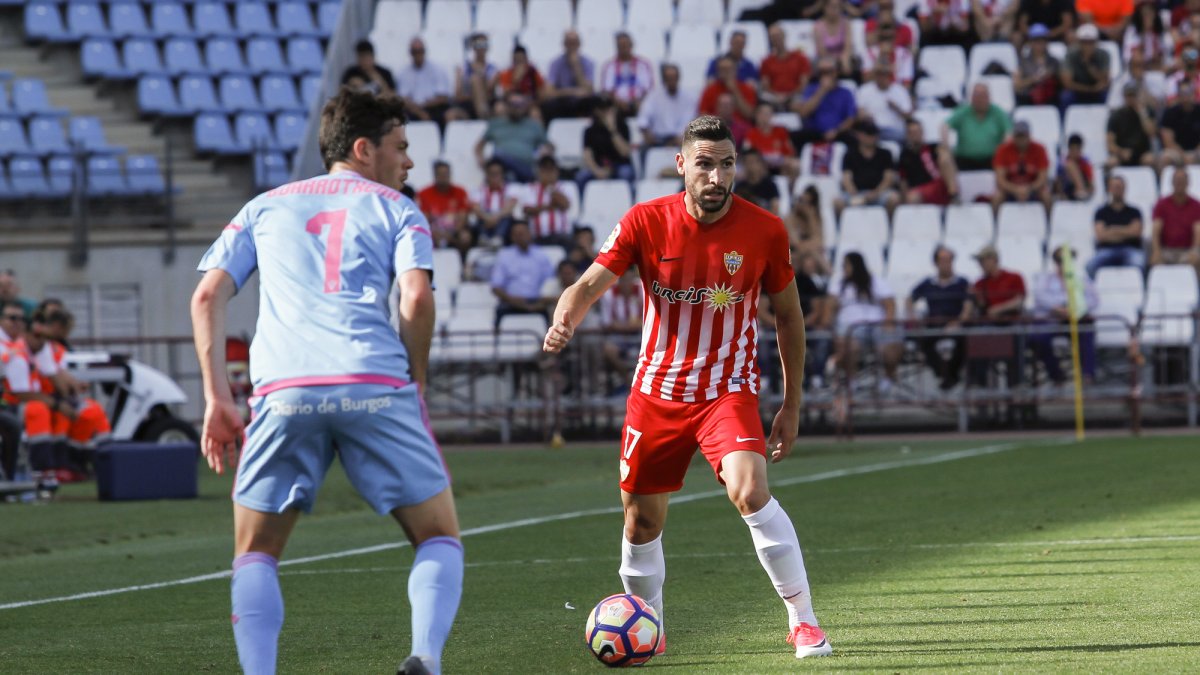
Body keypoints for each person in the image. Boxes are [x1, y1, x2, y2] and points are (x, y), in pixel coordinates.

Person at [190, 88, 462, 675]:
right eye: (400, 147)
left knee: (255, 552)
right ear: (364, 149)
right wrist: (413, 380)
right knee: (438, 536)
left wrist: (216, 399)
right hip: (374, 380)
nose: (408, 162)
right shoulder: (398, 209)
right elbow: (415, 297)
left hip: (284, 391)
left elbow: (208, 293)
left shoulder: (264, 207)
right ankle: (425, 658)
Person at [542, 115, 833, 661]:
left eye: (726, 164)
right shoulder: (645, 222)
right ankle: (647, 630)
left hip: (728, 390)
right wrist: (566, 320)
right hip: (656, 394)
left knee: (749, 490)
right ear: (682, 165)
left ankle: (804, 622)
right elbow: (586, 284)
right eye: (705, 163)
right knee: (641, 520)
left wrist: (792, 406)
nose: (717, 176)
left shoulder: (766, 230)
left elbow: (790, 320)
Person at [829, 251, 904, 392]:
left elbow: (889, 304)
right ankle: (852, 380)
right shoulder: (839, 285)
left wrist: (888, 323)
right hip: (850, 326)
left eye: (846, 265)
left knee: (891, 343)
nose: (844, 268)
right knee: (847, 346)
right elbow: (831, 307)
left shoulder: (876, 282)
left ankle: (888, 378)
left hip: (878, 324)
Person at [1030, 245, 1099, 386]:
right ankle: (1056, 375)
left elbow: (1094, 299)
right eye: (1061, 260)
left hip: (1076, 320)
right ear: (1056, 262)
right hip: (1052, 320)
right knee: (1038, 339)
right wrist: (1060, 308)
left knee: (1086, 333)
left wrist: (1076, 309)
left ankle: (1087, 375)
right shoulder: (1046, 279)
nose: (1065, 264)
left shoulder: (1081, 279)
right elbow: (1039, 297)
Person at [909, 246, 971, 390]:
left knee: (963, 342)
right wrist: (913, 316)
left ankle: (952, 375)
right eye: (942, 260)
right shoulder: (928, 283)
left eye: (949, 260)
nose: (946, 264)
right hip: (933, 324)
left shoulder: (962, 283)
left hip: (956, 324)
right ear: (936, 263)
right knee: (923, 342)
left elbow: (968, 306)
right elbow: (910, 299)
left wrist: (958, 322)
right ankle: (943, 375)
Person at [475, 92, 552, 182]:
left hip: (526, 169)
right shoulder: (496, 124)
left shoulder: (534, 125)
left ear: (525, 106)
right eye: (513, 104)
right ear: (506, 106)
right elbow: (479, 146)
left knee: (499, 156)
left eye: (519, 105)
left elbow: (549, 146)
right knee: (498, 166)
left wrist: (545, 152)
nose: (516, 108)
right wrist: (481, 159)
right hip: (502, 173)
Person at [490, 220, 556, 327]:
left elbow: (550, 281)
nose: (520, 236)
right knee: (499, 315)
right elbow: (496, 287)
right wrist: (511, 299)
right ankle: (496, 341)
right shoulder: (504, 255)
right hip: (511, 302)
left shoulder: (541, 255)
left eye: (523, 233)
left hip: (537, 302)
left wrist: (542, 302)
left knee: (552, 317)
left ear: (530, 234)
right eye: (517, 234)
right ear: (512, 237)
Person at [834, 119, 899, 216]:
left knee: (894, 198)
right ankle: (841, 229)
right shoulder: (850, 154)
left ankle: (890, 228)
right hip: (856, 193)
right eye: (868, 134)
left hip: (879, 193)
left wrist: (876, 193)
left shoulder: (885, 153)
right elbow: (846, 178)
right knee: (838, 202)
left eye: (874, 134)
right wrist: (854, 194)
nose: (872, 137)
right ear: (859, 135)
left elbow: (888, 178)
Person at [791, 57, 857, 150]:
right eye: (822, 72)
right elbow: (804, 113)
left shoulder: (846, 92)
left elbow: (850, 118)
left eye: (829, 71)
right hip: (815, 132)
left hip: (838, 132)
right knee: (796, 137)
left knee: (854, 141)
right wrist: (822, 91)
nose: (825, 75)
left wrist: (836, 131)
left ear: (836, 72)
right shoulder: (811, 89)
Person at [943, 83, 1012, 171]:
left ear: (988, 97)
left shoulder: (997, 112)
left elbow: (1008, 132)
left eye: (982, 96)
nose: (979, 99)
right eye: (976, 95)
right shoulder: (964, 111)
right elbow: (945, 126)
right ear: (971, 98)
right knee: (944, 157)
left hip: (992, 158)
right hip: (963, 158)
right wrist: (946, 145)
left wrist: (1004, 147)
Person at [1088, 174, 1146, 276]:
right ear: (1109, 189)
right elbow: (1101, 236)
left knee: (1138, 263)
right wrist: (1126, 231)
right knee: (1090, 266)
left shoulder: (1134, 211)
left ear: (1125, 189)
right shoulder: (1101, 212)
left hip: (1130, 249)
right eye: (1115, 187)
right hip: (1106, 250)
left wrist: (1111, 230)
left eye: (1120, 187)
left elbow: (1136, 233)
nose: (1117, 190)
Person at [991, 120, 1052, 211]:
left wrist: (1028, 189)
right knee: (997, 197)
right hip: (1010, 189)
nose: (1021, 140)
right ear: (1013, 136)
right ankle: (994, 223)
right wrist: (1016, 189)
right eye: (1018, 136)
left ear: (1029, 136)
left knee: (1046, 196)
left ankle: (1049, 223)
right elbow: (1000, 179)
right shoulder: (1003, 150)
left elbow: (1042, 178)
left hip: (1033, 188)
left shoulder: (1039, 149)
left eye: (1023, 136)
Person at [577, 96, 635, 189]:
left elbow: (624, 152)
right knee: (581, 176)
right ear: (596, 111)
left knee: (626, 173)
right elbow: (587, 154)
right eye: (602, 109)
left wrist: (612, 129)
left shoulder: (623, 126)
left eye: (608, 108)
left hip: (619, 165)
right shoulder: (590, 130)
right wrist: (597, 171)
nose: (606, 111)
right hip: (598, 166)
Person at [899, 118, 959, 206]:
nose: (915, 135)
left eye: (917, 131)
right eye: (912, 132)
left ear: (922, 132)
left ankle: (954, 195)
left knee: (945, 157)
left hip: (939, 184)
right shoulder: (904, 155)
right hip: (919, 189)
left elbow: (948, 161)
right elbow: (903, 180)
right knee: (912, 198)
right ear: (907, 135)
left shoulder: (933, 147)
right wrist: (904, 199)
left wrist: (944, 147)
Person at [395, 37, 455, 126]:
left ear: (424, 51)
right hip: (413, 110)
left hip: (434, 108)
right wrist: (420, 112)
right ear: (410, 53)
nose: (418, 54)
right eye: (414, 51)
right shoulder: (403, 73)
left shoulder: (437, 69)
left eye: (420, 51)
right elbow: (403, 98)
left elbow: (443, 97)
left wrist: (424, 106)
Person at [417, 160, 472, 255]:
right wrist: (435, 233)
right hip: (434, 231)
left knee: (465, 237)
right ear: (435, 175)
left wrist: (451, 234)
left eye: (446, 174)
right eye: (440, 174)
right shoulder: (424, 193)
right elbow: (424, 220)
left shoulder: (460, 192)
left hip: (454, 231)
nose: (443, 177)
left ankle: (463, 263)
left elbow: (462, 218)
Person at [636, 63, 698, 149]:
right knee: (642, 148)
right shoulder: (653, 97)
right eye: (668, 78)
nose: (671, 81)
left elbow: (688, 121)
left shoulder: (689, 98)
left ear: (678, 78)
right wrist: (647, 133)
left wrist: (679, 137)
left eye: (673, 78)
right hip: (656, 140)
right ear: (664, 80)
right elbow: (643, 118)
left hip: (680, 140)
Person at [1149, 167, 1200, 271]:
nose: (1179, 183)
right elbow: (1156, 229)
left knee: (1196, 260)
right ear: (1172, 183)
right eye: (1177, 181)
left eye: (1182, 181)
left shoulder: (1196, 205)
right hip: (1166, 250)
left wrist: (1194, 251)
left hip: (1187, 251)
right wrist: (1156, 251)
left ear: (1188, 183)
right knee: (1155, 261)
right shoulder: (1162, 204)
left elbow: (1198, 230)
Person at [522, 156, 575, 247]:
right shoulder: (529, 188)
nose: (548, 173)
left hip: (560, 235)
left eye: (551, 170)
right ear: (539, 172)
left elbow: (564, 204)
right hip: (537, 236)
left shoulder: (567, 186)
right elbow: (528, 210)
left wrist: (551, 188)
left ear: (557, 171)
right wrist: (551, 206)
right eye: (544, 170)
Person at [543, 29, 595, 120]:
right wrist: (573, 92)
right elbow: (548, 92)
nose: (571, 46)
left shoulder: (588, 63)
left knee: (590, 102)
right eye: (569, 43)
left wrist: (576, 67)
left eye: (574, 43)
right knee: (548, 105)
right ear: (564, 44)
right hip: (562, 101)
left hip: (580, 103)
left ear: (579, 44)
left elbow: (588, 90)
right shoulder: (555, 63)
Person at [855, 62, 913, 143]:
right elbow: (859, 113)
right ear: (875, 75)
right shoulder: (865, 90)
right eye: (879, 74)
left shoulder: (900, 91)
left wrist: (896, 108)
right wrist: (865, 117)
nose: (882, 77)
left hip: (894, 131)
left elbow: (909, 116)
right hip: (872, 130)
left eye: (885, 74)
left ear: (890, 75)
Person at [1105, 81, 1158, 170]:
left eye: (1133, 95)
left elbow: (1151, 133)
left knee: (1150, 160)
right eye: (1128, 96)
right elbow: (1110, 144)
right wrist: (1121, 152)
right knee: (1111, 162)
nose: (1131, 99)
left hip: (1142, 153)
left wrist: (1142, 113)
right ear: (1124, 97)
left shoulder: (1147, 112)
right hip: (1122, 153)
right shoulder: (1116, 116)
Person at [599, 32, 655, 116]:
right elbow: (606, 89)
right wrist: (617, 100)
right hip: (616, 103)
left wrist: (639, 100)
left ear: (631, 45)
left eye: (625, 44)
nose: (623, 47)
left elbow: (648, 88)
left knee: (645, 108)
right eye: (620, 45)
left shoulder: (643, 64)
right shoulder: (609, 66)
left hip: (638, 103)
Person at [759, 22, 811, 109]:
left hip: (795, 96)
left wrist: (789, 96)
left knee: (800, 101)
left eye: (778, 36)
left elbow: (804, 83)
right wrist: (777, 96)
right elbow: (765, 85)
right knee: (764, 100)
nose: (776, 39)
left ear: (784, 36)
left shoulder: (800, 58)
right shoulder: (766, 61)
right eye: (773, 37)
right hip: (774, 98)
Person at [743, 102, 799, 182]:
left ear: (772, 116)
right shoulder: (751, 133)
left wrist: (782, 160)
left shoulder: (781, 131)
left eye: (767, 114)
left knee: (795, 165)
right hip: (761, 166)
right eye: (762, 114)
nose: (764, 117)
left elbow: (790, 152)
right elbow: (748, 154)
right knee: (754, 167)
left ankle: (790, 191)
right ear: (756, 116)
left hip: (780, 165)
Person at [470, 158, 520, 247]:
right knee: (481, 216)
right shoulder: (479, 190)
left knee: (507, 217)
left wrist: (495, 217)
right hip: (485, 219)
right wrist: (487, 217)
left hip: (501, 220)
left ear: (502, 174)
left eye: (497, 174)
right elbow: (476, 208)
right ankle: (484, 238)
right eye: (491, 174)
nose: (494, 177)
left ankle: (498, 238)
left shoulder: (511, 189)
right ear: (487, 175)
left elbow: (510, 207)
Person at [1061, 23, 1112, 107]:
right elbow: (1067, 83)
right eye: (1084, 42)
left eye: (1091, 42)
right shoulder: (1070, 55)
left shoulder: (1104, 55)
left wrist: (1089, 66)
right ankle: (1064, 120)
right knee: (1065, 97)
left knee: (1107, 96)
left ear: (1096, 42)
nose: (1087, 45)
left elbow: (1105, 81)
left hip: (1097, 92)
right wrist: (1090, 89)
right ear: (1079, 42)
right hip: (1078, 91)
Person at [698, 55, 757, 126]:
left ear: (735, 70)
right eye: (722, 69)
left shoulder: (746, 88)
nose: (725, 72)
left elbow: (749, 115)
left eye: (728, 69)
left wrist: (735, 91)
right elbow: (702, 114)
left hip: (741, 130)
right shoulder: (710, 90)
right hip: (716, 128)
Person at [1014, 23, 1062, 106]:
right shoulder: (1023, 61)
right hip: (1028, 98)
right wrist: (1033, 79)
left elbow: (1062, 82)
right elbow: (1017, 85)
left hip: (1050, 98)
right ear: (1030, 42)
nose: (1040, 43)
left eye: (1043, 40)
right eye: (1036, 40)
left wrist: (1049, 76)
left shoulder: (1054, 61)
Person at [784, 186, 829, 271]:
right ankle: (830, 273)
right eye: (801, 200)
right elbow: (796, 245)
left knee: (810, 261)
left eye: (808, 203)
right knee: (810, 259)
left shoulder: (816, 219)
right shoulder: (789, 219)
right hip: (792, 254)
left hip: (810, 255)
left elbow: (820, 241)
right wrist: (811, 246)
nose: (803, 205)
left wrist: (810, 217)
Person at [455, 32, 499, 119]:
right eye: (478, 44)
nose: (481, 48)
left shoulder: (493, 69)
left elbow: (490, 92)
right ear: (473, 47)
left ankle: (482, 115)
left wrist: (480, 73)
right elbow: (458, 95)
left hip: (487, 103)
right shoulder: (463, 68)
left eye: (484, 44)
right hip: (467, 104)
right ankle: (482, 115)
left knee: (476, 79)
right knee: (475, 80)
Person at [1123, 0, 1172, 71]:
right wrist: (1144, 32)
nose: (1148, 17)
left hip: (1157, 70)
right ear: (1139, 15)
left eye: (1151, 13)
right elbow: (1127, 57)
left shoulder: (1160, 32)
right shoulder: (1132, 31)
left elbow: (1167, 55)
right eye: (1145, 14)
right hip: (1137, 71)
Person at [1160, 82, 1200, 167]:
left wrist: (1195, 153)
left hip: (1197, 150)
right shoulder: (1169, 113)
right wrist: (1183, 155)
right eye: (1183, 94)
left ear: (1193, 94)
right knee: (1165, 158)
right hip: (1176, 151)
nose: (1186, 97)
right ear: (1178, 96)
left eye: (1188, 93)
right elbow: (1168, 141)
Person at [734, 148, 781, 213]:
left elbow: (775, 208)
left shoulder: (770, 185)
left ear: (760, 163)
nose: (750, 166)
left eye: (752, 162)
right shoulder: (739, 186)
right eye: (747, 162)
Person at [814, 0, 854, 77]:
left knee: (848, 65)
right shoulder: (818, 26)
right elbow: (821, 51)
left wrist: (844, 59)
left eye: (837, 7)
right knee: (826, 67)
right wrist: (834, 62)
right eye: (831, 7)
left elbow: (848, 46)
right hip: (825, 58)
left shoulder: (846, 24)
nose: (834, 10)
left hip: (842, 58)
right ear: (825, 8)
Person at [1056, 133, 1094, 202]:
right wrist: (1061, 194)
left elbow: (1090, 184)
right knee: (1070, 164)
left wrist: (1088, 192)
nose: (1075, 152)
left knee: (1071, 165)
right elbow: (1059, 181)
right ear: (1069, 149)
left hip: (1081, 191)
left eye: (1077, 149)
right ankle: (1079, 191)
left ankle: (1080, 191)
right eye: (1073, 149)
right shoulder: (1062, 162)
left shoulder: (1085, 163)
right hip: (1067, 190)